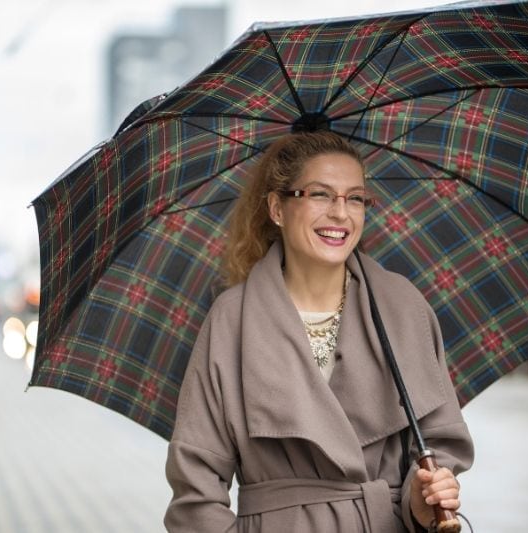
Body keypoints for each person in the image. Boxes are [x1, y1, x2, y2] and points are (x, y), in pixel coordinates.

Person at [164, 131, 474, 532]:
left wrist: (422, 497)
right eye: (321, 195)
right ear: (277, 207)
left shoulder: (401, 306)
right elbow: (195, 485)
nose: (341, 214)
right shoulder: (232, 319)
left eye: (356, 198)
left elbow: (439, 442)